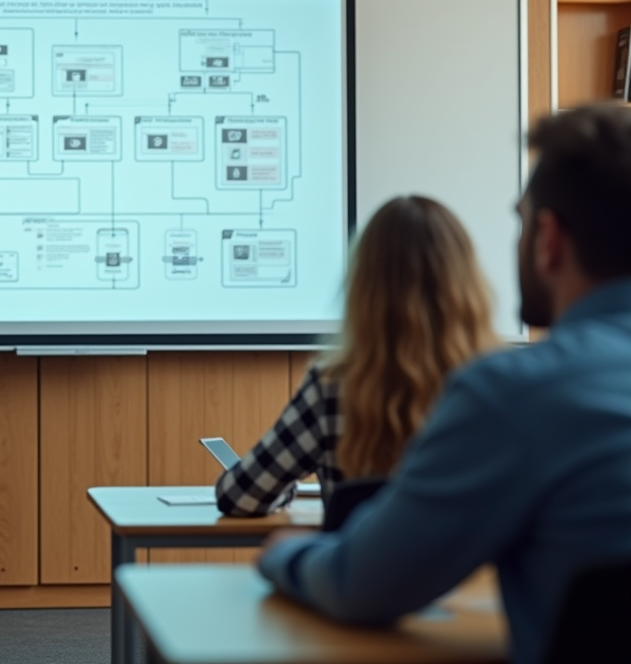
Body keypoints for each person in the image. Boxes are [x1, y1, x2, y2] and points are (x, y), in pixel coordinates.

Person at [257, 103, 631, 664]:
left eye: (522, 220)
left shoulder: (515, 395)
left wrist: (284, 553)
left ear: (548, 239)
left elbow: (363, 585)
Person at [216, 195, 501, 515]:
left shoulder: (331, 389)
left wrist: (285, 489)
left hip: (354, 566)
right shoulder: (502, 386)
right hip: (466, 567)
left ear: (362, 286)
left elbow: (240, 496)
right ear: (467, 283)